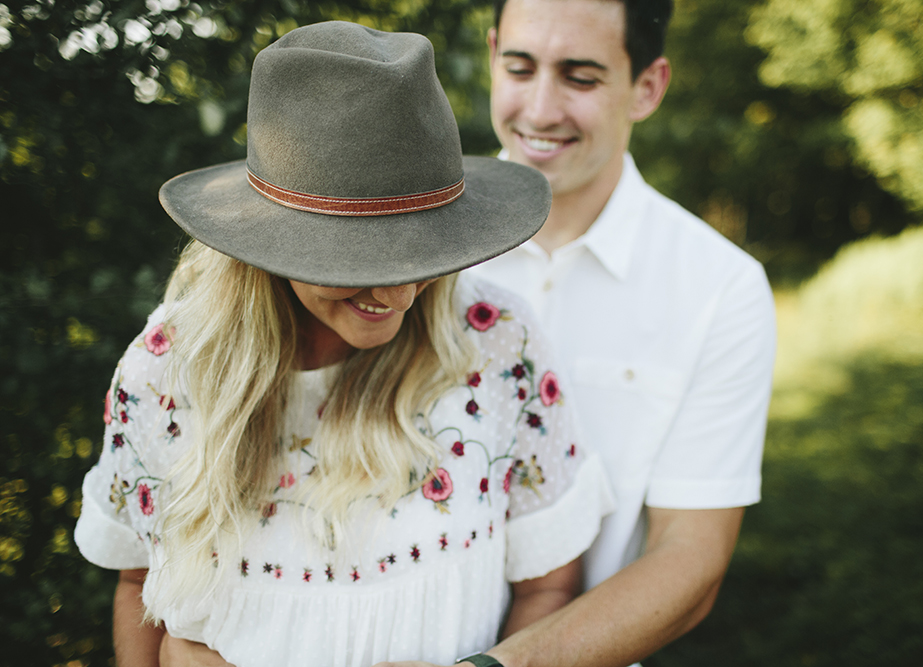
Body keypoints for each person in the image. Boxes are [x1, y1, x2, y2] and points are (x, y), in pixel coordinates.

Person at [74, 21, 614, 667]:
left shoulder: (500, 349)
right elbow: (136, 583)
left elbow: (549, 582)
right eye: (358, 259)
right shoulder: (165, 370)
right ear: (271, 238)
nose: (402, 291)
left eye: (427, 249)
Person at [454, 1, 778, 666]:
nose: (540, 110)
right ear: (491, 57)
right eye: (520, 67)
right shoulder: (413, 243)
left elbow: (689, 556)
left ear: (648, 87)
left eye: (580, 77)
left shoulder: (720, 288)